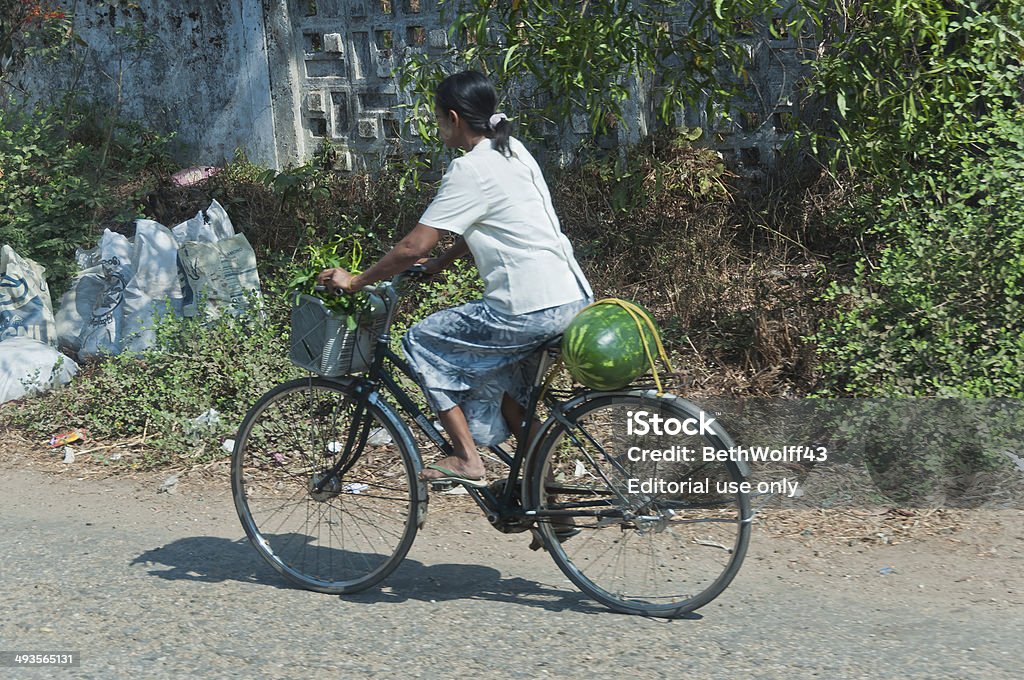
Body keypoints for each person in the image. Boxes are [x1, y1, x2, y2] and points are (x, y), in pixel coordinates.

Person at [318, 70, 592, 487]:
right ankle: (549, 500)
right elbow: (495, 220)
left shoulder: (470, 169)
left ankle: (467, 458)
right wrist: (444, 262)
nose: (438, 126)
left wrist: (356, 280)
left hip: (525, 308)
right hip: (570, 298)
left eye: (438, 119)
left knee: (421, 342)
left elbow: (412, 247)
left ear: (453, 118)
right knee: (510, 400)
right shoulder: (512, 149)